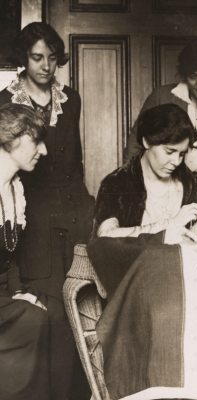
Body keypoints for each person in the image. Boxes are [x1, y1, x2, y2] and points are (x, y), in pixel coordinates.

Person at [0, 22, 94, 301]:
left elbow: (75, 157)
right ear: (23, 57)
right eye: (37, 58)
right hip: (34, 211)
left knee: (80, 293)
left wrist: (85, 203)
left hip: (73, 205)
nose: (46, 66)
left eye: (52, 58)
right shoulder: (5, 100)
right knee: (44, 293)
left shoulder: (71, 98)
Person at [0, 103, 75, 400]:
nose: (43, 151)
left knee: (57, 313)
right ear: (10, 139)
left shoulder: (15, 188)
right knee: (31, 318)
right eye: (36, 140)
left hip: (5, 293)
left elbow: (10, 257)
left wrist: (18, 292)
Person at [123, 37, 197, 214]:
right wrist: (134, 190)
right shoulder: (162, 97)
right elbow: (135, 145)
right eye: (193, 76)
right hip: (165, 191)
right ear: (184, 74)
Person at [92, 103, 197, 240]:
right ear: (147, 142)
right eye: (169, 152)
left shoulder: (185, 178)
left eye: (181, 154)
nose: (176, 162)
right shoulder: (117, 182)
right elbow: (105, 236)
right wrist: (172, 224)